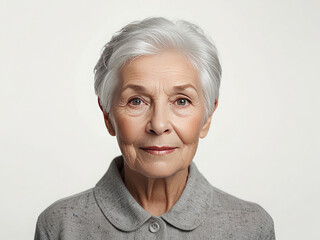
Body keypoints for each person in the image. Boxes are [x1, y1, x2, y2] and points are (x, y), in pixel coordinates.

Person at [34, 17, 275, 239]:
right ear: (107, 115)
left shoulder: (252, 228)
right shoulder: (59, 226)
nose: (159, 125)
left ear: (208, 116)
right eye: (136, 101)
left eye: (182, 101)